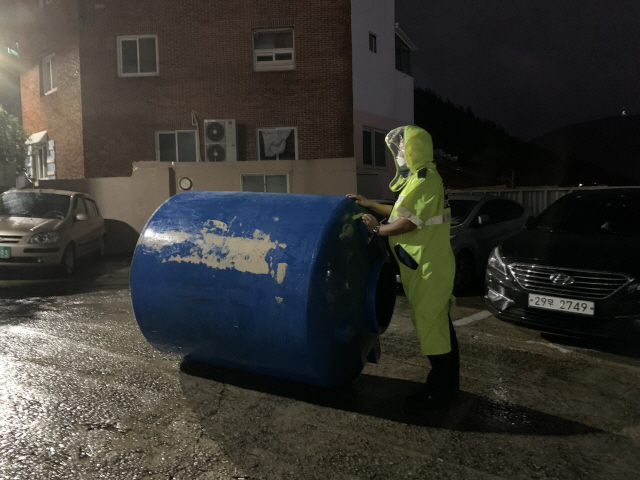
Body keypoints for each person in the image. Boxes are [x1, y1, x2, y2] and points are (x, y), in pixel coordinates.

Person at [347, 125, 459, 408]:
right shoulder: (419, 179)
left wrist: (376, 230)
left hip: (428, 267)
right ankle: (445, 387)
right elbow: (401, 211)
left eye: (400, 149)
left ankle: (441, 393)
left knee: (432, 328)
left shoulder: (425, 179)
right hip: (423, 265)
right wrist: (371, 204)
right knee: (438, 327)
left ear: (414, 149)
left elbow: (406, 223)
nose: (398, 154)